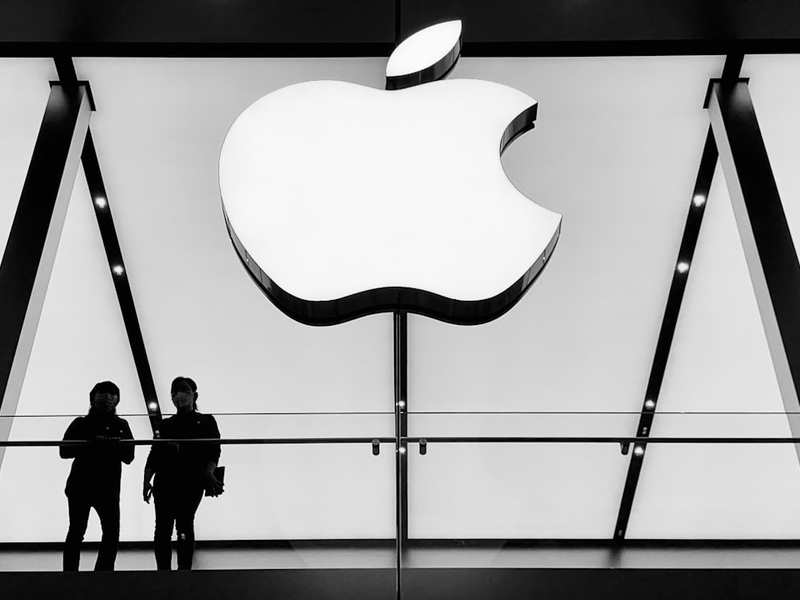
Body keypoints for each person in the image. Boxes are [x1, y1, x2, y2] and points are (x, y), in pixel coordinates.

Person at [143, 376, 223, 570]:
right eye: (175, 392)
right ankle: (164, 571)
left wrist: (209, 472)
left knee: (184, 524)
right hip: (166, 481)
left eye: (184, 390)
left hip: (191, 480)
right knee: (163, 528)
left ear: (194, 395)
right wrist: (146, 480)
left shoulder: (205, 421)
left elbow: (214, 449)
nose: (179, 395)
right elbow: (154, 454)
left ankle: (184, 571)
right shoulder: (165, 424)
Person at [60, 380, 134, 571]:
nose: (108, 397)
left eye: (112, 394)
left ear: (117, 399)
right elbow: (64, 451)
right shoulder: (81, 423)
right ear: (92, 398)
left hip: (107, 488)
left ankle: (102, 573)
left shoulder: (121, 424)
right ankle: (71, 574)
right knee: (78, 531)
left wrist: (110, 446)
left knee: (109, 532)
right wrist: (91, 444)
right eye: (102, 393)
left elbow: (129, 456)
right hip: (81, 486)